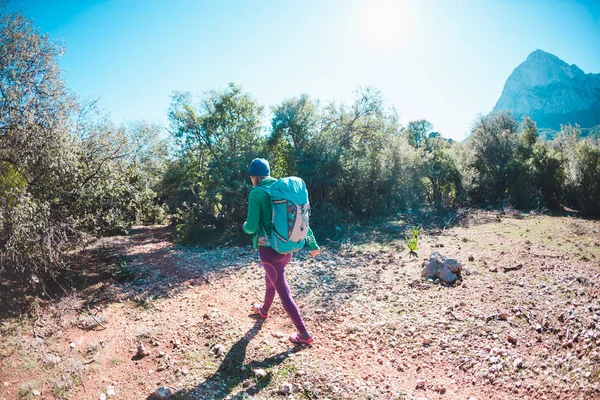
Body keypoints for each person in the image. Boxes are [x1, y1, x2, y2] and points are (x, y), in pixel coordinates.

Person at [243, 158, 320, 345]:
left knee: (282, 290)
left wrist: (245, 227)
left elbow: (251, 227)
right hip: (287, 247)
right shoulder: (282, 190)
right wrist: (312, 243)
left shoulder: (257, 193)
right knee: (271, 279)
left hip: (269, 251)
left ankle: (303, 334)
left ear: (254, 177)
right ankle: (264, 310)